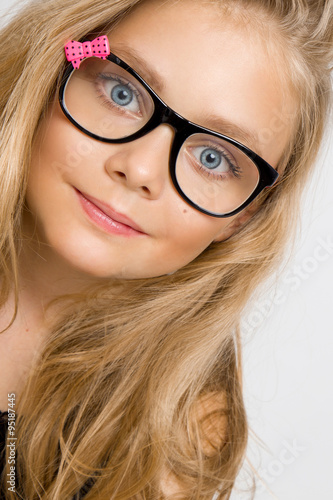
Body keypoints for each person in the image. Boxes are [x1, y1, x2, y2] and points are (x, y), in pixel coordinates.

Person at [0, 0, 332, 498]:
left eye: (213, 157)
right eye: (122, 92)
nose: (140, 170)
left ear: (245, 215)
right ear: (56, 63)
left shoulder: (181, 433)